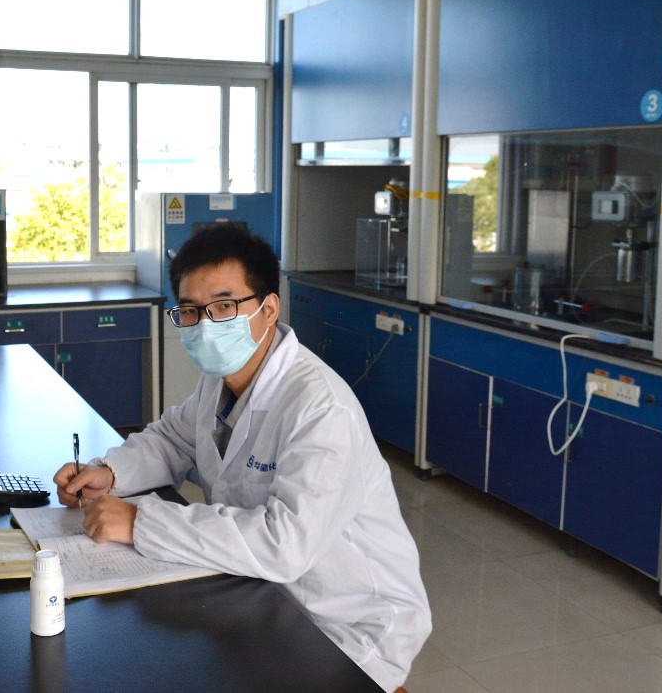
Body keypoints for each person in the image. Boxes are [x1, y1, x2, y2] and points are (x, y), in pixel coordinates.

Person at [53, 224, 431, 692]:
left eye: (224, 306)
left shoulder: (320, 409)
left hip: (346, 627)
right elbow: (175, 439)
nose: (206, 325)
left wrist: (139, 522)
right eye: (191, 311)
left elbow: (285, 545)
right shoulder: (221, 379)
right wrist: (109, 472)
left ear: (268, 309)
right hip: (262, 595)